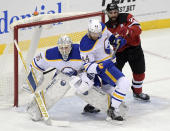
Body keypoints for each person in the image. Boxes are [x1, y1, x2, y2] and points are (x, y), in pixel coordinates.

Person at [26, 35, 96, 121]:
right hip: (63, 75)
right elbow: (35, 64)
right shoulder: (51, 54)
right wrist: (35, 78)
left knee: (86, 87)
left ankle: (103, 105)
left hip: (81, 72)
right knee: (58, 87)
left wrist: (87, 80)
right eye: (61, 48)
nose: (64, 50)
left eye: (66, 47)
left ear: (71, 46)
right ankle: (35, 109)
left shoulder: (81, 51)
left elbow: (93, 64)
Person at [80, 19, 130, 121]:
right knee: (124, 83)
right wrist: (106, 63)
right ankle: (113, 110)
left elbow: (110, 37)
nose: (97, 36)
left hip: (110, 62)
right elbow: (88, 67)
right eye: (94, 34)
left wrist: (116, 40)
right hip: (103, 67)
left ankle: (93, 104)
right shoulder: (85, 45)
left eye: (98, 33)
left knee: (107, 88)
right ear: (89, 31)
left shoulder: (102, 28)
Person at [105, 2, 150, 101]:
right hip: (119, 53)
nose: (113, 14)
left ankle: (137, 93)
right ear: (107, 13)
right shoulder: (106, 27)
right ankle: (109, 95)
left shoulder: (126, 17)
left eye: (115, 12)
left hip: (135, 50)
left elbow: (139, 28)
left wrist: (128, 31)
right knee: (113, 74)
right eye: (111, 12)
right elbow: (105, 43)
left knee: (139, 73)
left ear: (118, 11)